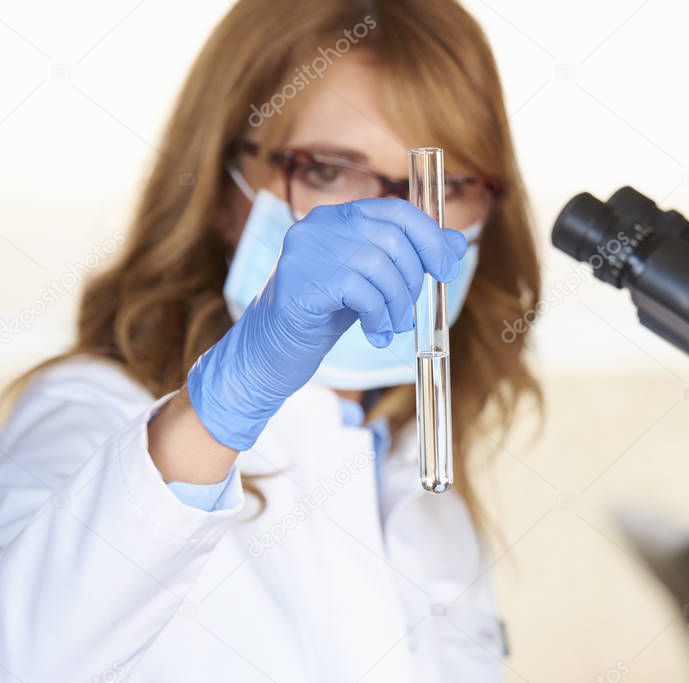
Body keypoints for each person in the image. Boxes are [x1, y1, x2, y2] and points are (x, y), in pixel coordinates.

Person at [0, 0, 540, 680]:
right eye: (327, 170)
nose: (392, 222)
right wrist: (228, 399)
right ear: (226, 192)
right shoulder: (91, 410)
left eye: (445, 185)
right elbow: (22, 654)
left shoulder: (405, 452)